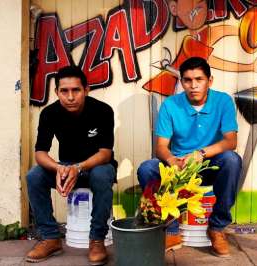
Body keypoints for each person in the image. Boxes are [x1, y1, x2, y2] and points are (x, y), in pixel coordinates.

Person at [137, 57, 242, 257]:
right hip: (179, 166)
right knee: (147, 168)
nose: (193, 86)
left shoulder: (223, 101)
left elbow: (231, 141)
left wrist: (201, 154)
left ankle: (217, 228)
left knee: (232, 160)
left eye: (199, 79)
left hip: (209, 165)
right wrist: (172, 161)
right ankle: (171, 229)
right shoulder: (170, 105)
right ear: (181, 81)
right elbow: (161, 147)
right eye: (187, 80)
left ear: (209, 81)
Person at [25, 66, 117, 265]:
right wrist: (59, 168)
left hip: (96, 166)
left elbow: (105, 153)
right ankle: (50, 237)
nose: (70, 96)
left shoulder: (102, 111)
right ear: (57, 92)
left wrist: (79, 167)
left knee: (102, 175)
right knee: (34, 175)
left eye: (75, 90)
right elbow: (40, 152)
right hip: (66, 167)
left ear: (86, 89)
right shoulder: (49, 113)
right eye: (64, 91)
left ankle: (97, 239)